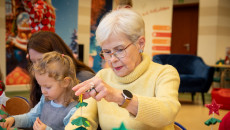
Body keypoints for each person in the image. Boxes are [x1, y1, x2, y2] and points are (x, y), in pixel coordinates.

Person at [66, 8, 181, 130]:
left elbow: (167, 113)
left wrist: (120, 97)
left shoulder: (164, 74)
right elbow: (82, 119)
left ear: (140, 43)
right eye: (107, 52)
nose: (112, 59)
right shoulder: (103, 76)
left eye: (120, 50)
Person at [1, 51, 79, 130]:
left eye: (48, 87)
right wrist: (14, 120)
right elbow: (31, 117)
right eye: (40, 86)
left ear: (65, 82)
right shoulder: (45, 99)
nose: (43, 91)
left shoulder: (73, 110)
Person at [27, 31, 95, 108]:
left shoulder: (84, 78)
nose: (36, 66)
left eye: (41, 61)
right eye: (33, 62)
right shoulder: (40, 79)